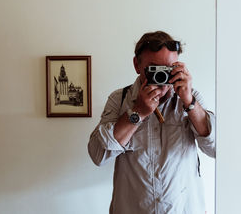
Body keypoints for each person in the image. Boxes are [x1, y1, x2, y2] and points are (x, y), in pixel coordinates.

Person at [88, 31, 216, 214]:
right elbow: (97, 154)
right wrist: (137, 113)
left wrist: (189, 103)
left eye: (169, 69)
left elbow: (217, 148)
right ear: (136, 65)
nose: (163, 79)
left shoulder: (190, 99)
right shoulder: (120, 100)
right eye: (154, 69)